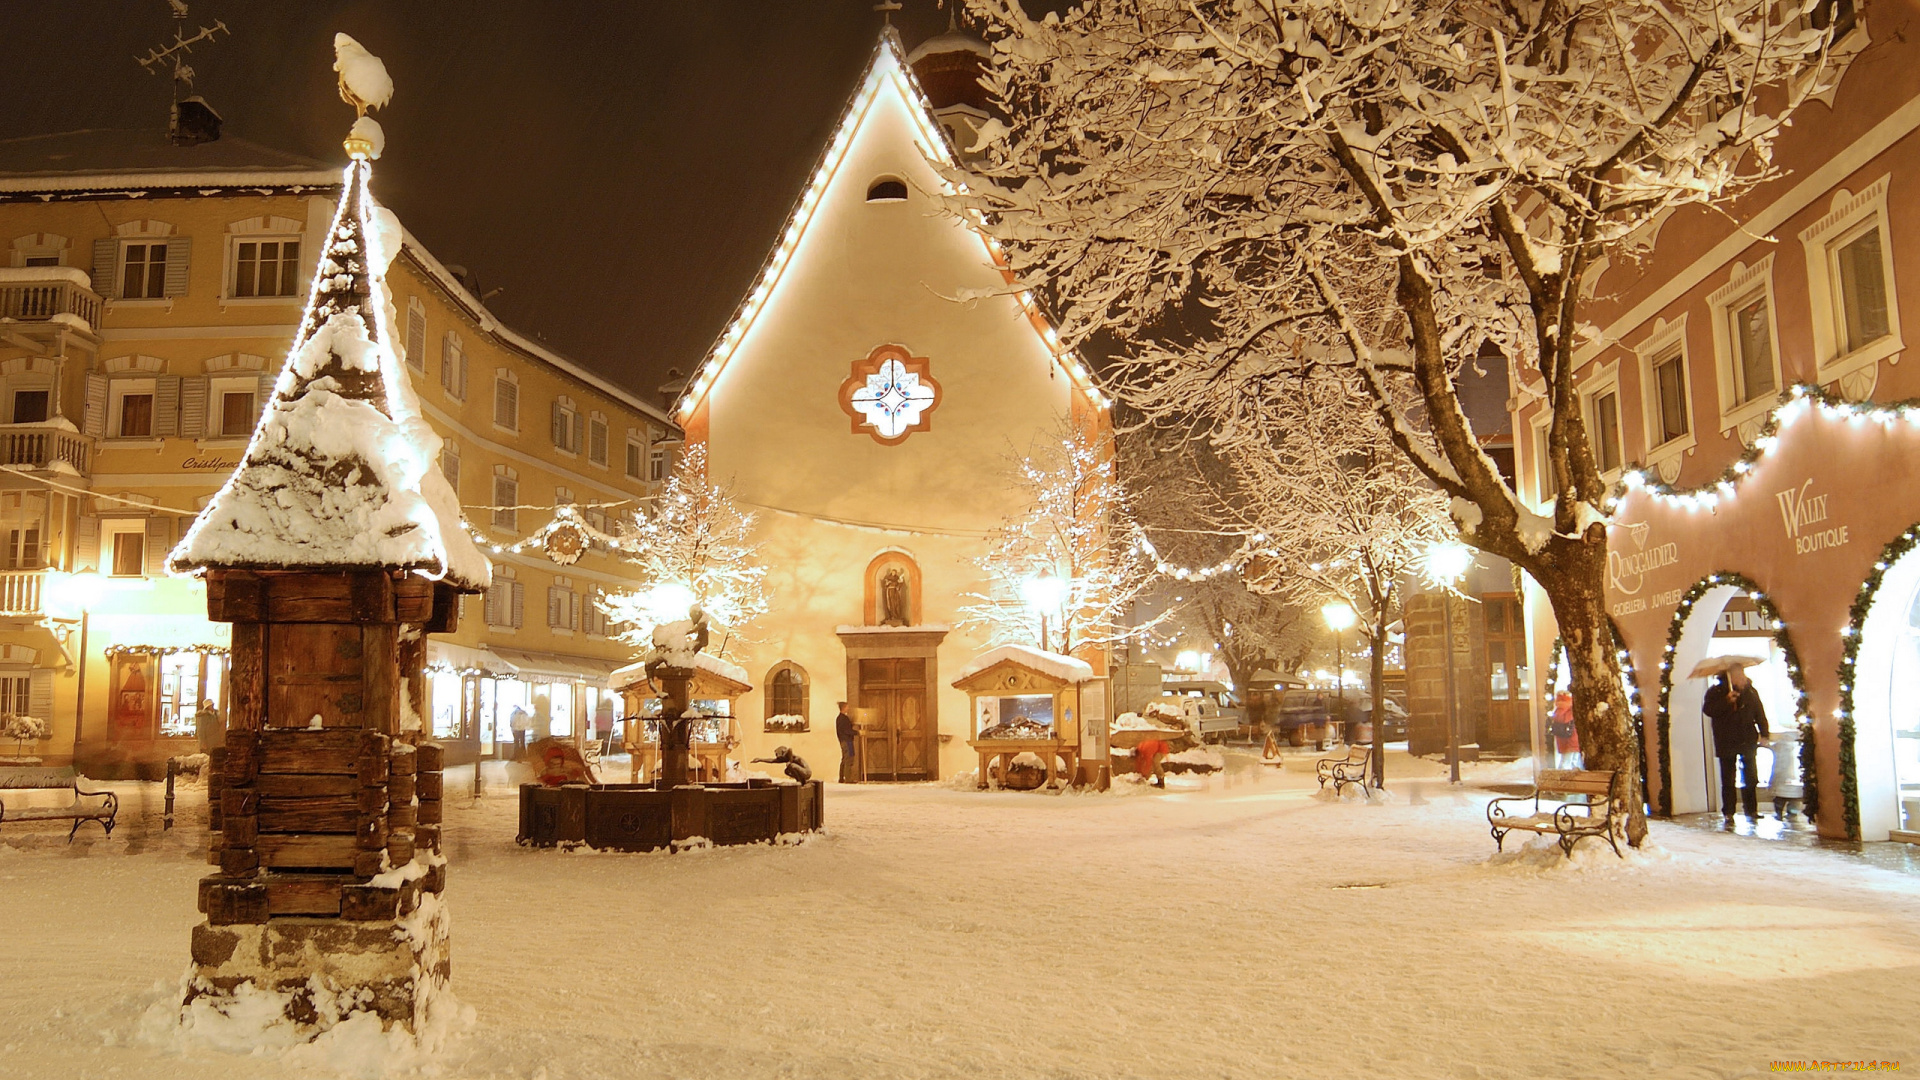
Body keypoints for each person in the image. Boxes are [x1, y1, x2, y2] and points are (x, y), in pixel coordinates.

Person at [1702, 666, 1769, 823]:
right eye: (1739, 675)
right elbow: (1709, 710)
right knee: (1728, 778)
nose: (1742, 678)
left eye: (1743, 674)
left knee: (1751, 776)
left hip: (1747, 739)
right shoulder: (1716, 692)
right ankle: (1729, 811)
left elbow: (1759, 712)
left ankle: (1751, 809)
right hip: (1726, 740)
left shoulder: (1751, 692)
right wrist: (1726, 701)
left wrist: (1764, 733)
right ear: (1730, 677)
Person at [1549, 691, 1578, 768]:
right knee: (1570, 761)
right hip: (1572, 738)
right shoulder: (1570, 710)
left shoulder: (1558, 710)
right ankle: (1564, 778)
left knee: (1566, 760)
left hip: (1564, 739)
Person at [835, 701, 857, 783]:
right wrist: (858, 733)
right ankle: (848, 778)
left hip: (843, 741)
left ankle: (841, 778)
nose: (848, 708)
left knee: (844, 759)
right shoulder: (843, 718)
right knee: (849, 759)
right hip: (847, 741)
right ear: (843, 708)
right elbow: (847, 730)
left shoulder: (840, 718)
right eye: (847, 707)